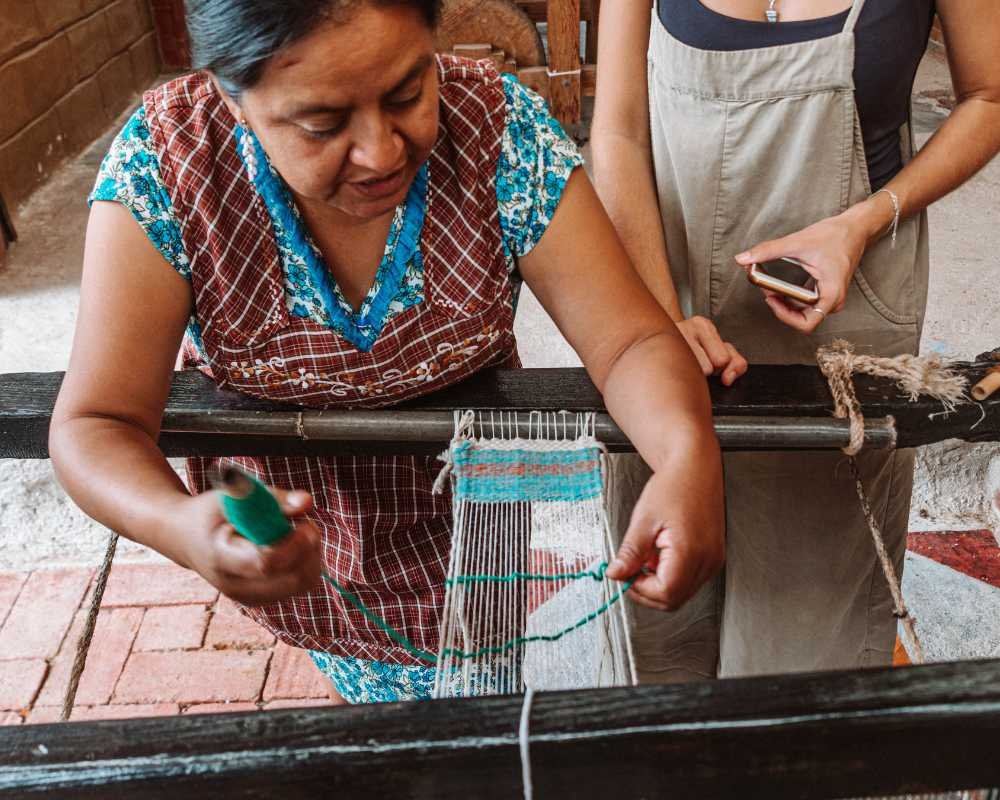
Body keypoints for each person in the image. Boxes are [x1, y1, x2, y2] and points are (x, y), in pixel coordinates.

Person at [49, 0, 725, 704]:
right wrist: (180, 526)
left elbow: (631, 340)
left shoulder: (497, 129)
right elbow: (96, 422)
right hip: (311, 587)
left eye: (408, 92)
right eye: (323, 124)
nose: (380, 150)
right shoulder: (169, 168)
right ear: (232, 96)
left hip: (479, 556)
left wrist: (684, 455)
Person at [593, 0, 1000, 681]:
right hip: (668, 311)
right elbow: (618, 134)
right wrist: (662, 321)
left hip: (849, 320)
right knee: (662, 627)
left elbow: (989, 96)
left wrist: (862, 224)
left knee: (811, 627)